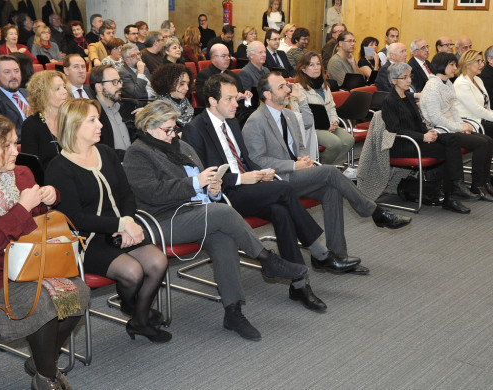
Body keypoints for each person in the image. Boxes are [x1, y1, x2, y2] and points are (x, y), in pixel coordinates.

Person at [123, 100, 307, 341]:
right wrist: (195, 183)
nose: (172, 134)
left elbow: (204, 186)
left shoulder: (182, 146)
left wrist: (213, 189)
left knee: (223, 239)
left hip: (199, 212)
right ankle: (266, 259)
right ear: (148, 127)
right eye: (167, 130)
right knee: (224, 214)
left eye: (174, 128)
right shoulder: (138, 153)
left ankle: (233, 312)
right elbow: (151, 192)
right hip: (164, 220)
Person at [183, 73, 361, 307]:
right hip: (225, 194)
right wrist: (241, 179)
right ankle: (320, 253)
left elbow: (247, 159)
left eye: (235, 98)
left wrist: (262, 172)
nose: (236, 104)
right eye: (230, 99)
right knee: (285, 190)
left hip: (249, 185)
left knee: (281, 211)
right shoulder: (196, 129)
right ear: (213, 102)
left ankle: (299, 284)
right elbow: (206, 176)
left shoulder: (233, 121)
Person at [0, 112, 89, 390]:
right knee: (44, 303)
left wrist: (50, 196)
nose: (16, 151)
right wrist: (22, 207)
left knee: (79, 293)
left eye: (16, 143)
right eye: (7, 146)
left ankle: (41, 361)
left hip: (32, 262)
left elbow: (40, 219)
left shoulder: (22, 173)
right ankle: (47, 377)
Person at [243, 71, 412, 259]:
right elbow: (257, 160)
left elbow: (300, 146)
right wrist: (293, 165)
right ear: (267, 94)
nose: (288, 89)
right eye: (281, 86)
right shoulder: (256, 121)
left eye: (287, 85)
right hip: (276, 180)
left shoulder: (289, 115)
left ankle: (338, 254)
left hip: (296, 176)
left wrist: (303, 159)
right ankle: (374, 211)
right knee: (331, 173)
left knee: (331, 190)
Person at [45, 98, 171, 344]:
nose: (100, 124)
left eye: (98, 118)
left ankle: (138, 319)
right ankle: (139, 314)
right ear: (74, 126)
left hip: (120, 229)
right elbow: (75, 219)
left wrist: (128, 222)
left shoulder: (106, 153)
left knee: (158, 261)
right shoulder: (59, 167)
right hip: (86, 241)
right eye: (92, 120)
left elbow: (126, 194)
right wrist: (120, 226)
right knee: (132, 272)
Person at [382, 62, 479, 213]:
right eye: (404, 77)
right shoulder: (389, 101)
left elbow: (418, 122)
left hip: (418, 139)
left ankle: (455, 188)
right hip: (403, 144)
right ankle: (451, 194)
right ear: (394, 80)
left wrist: (429, 133)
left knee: (451, 139)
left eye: (410, 77)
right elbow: (394, 129)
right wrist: (423, 136)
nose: (409, 80)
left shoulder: (408, 97)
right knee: (449, 150)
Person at [420, 52, 493, 201]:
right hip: (441, 131)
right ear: (442, 65)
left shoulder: (446, 83)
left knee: (487, 140)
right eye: (452, 65)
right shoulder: (433, 86)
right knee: (481, 143)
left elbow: (453, 110)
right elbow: (436, 118)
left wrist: (462, 125)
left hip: (451, 127)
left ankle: (484, 181)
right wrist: (459, 127)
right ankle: (476, 185)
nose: (455, 68)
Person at [292, 51, 354, 164]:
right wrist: (326, 126)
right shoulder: (298, 89)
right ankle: (322, 168)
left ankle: (326, 164)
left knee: (349, 140)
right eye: (311, 65)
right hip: (312, 128)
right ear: (303, 69)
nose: (316, 68)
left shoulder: (324, 85)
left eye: (318, 64)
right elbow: (298, 115)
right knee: (335, 143)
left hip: (329, 124)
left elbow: (331, 107)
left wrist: (334, 121)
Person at [21, 70, 72, 169]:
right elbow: (31, 167)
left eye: (64, 87)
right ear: (42, 94)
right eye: (57, 89)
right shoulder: (31, 125)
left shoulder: (71, 119)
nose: (65, 91)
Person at [89, 65, 135, 160]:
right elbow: (100, 150)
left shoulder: (126, 107)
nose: (120, 86)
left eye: (119, 81)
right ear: (99, 87)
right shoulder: (92, 116)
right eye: (114, 82)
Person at [454, 50, 493, 139]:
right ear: (467, 64)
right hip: (471, 122)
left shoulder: (478, 80)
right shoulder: (461, 83)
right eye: (478, 61)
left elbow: (486, 107)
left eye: (482, 61)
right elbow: (477, 109)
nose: (482, 65)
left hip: (482, 119)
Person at [152, 63, 194, 129]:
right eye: (182, 84)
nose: (187, 88)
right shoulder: (160, 106)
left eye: (188, 84)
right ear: (169, 83)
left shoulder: (184, 101)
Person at [119, 43, 153, 110]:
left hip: (155, 100)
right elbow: (137, 95)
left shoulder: (144, 68)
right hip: (143, 105)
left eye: (138, 54)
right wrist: (140, 73)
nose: (138, 57)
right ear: (126, 60)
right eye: (133, 56)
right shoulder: (123, 73)